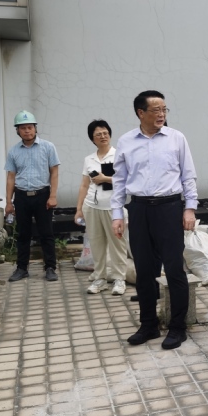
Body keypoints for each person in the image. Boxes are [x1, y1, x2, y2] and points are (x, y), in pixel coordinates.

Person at [111, 90, 198, 350]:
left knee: (174, 269)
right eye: (156, 110)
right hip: (139, 210)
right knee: (144, 270)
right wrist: (117, 214)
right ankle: (148, 324)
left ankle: (178, 327)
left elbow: (188, 176)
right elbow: (119, 181)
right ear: (141, 113)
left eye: (164, 109)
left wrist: (190, 208)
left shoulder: (176, 138)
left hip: (169, 208)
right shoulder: (126, 141)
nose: (161, 114)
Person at [5, 111, 60, 283]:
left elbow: (54, 172)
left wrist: (53, 196)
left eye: (30, 127)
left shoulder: (48, 147)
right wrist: (9, 202)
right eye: (23, 128)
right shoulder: (13, 151)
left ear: (35, 128)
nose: (27, 131)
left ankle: (50, 267)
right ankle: (22, 268)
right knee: (23, 234)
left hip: (42, 195)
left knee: (46, 233)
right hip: (21, 196)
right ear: (17, 131)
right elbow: (11, 177)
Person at [76, 120, 129, 296]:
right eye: (98, 134)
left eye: (105, 133)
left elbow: (128, 181)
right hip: (91, 206)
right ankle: (100, 278)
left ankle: (119, 279)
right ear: (92, 139)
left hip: (113, 207)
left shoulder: (119, 155)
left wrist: (105, 179)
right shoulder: (89, 159)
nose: (103, 136)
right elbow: (84, 185)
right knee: (96, 243)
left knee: (117, 244)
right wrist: (79, 209)